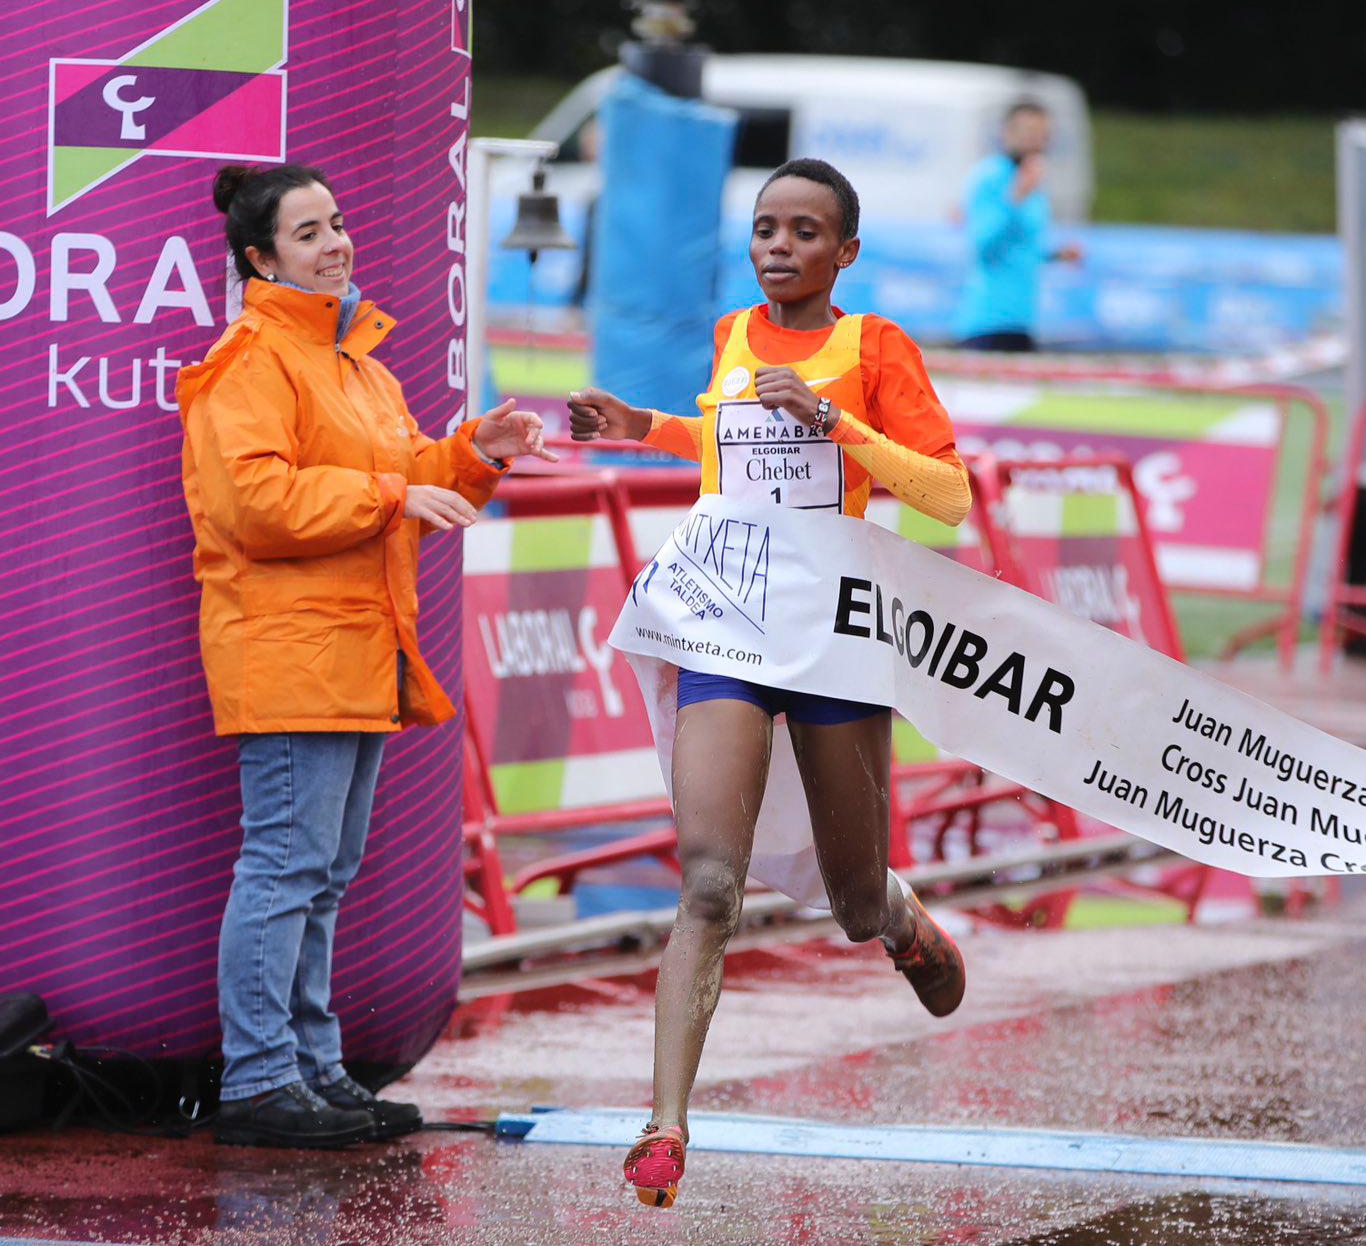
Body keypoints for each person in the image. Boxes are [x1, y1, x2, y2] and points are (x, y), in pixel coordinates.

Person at [567, 158, 972, 1208]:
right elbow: (727, 458)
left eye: (803, 231)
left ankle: (899, 922)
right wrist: (643, 428)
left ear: (843, 252)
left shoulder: (873, 347)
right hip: (727, 618)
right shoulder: (731, 335)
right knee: (708, 879)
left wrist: (839, 425)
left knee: (845, 894)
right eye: (763, 228)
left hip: (832, 629)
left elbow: (946, 495)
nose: (777, 245)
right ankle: (664, 1125)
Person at [179, 163, 554, 1148]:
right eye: (309, 233)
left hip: (352, 649)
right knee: (289, 868)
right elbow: (254, 505)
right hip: (293, 650)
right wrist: (394, 496)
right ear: (261, 259)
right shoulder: (250, 359)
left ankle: (307, 1069)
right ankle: (264, 1078)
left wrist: (480, 447)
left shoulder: (354, 363)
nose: (336, 242)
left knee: (321, 872)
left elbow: (409, 473)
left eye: (336, 222)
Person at [953, 100, 1081, 352]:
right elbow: (982, 245)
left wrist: (1056, 255)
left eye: (1042, 135)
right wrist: (1014, 199)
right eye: (1028, 133)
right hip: (988, 321)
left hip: (1024, 319)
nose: (1035, 142)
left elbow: (1025, 247)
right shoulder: (989, 176)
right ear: (1006, 133)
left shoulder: (1033, 183)